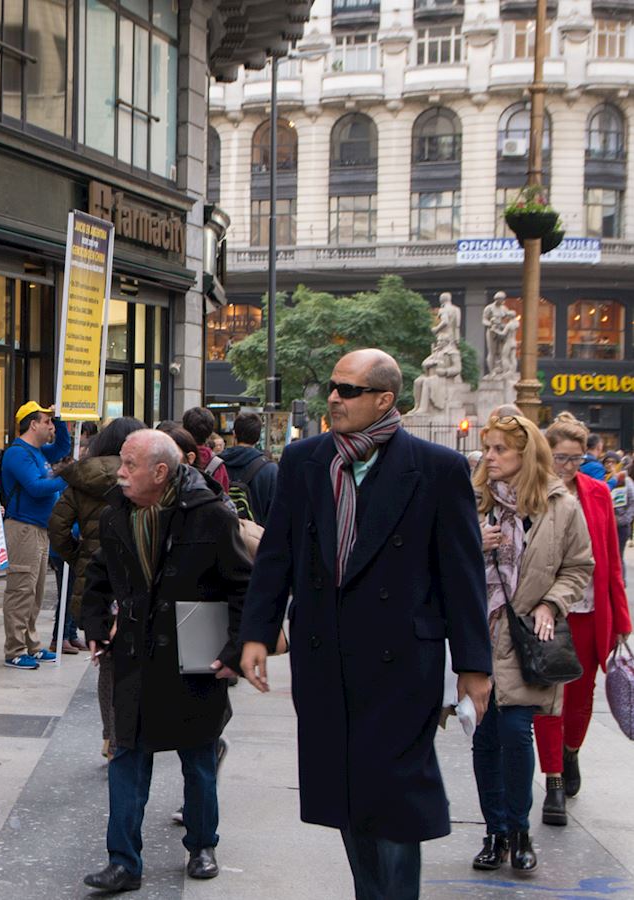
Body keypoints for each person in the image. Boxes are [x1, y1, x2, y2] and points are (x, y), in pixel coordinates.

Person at [240, 349, 493, 900]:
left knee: (396, 800)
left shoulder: (436, 468)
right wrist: (257, 631)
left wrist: (475, 666)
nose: (334, 398)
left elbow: (462, 575)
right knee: (347, 793)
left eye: (348, 390)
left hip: (402, 663)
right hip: (325, 658)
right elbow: (277, 554)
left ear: (384, 400)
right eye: (334, 387)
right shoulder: (305, 460)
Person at [80, 430, 251, 892]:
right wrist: (95, 623)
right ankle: (123, 862)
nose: (119, 473)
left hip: (194, 651)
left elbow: (242, 585)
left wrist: (235, 650)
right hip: (135, 652)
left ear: (160, 472)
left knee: (198, 756)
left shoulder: (210, 514)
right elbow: (99, 574)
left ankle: (202, 844)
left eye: (129, 465)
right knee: (126, 756)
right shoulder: (116, 514)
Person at [472, 413, 593, 872]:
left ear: (527, 455)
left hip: (527, 639)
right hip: (480, 635)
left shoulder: (561, 506)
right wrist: (472, 543)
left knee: (515, 732)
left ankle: (519, 830)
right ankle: (495, 832)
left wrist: (550, 604)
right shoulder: (474, 501)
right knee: (485, 737)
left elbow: (579, 567)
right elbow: (436, 560)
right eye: (488, 447)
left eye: (500, 449)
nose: (490, 456)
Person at [533, 414, 629, 826]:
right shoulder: (534, 492)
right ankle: (553, 779)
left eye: (575, 458)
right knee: (547, 696)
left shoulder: (598, 493)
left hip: (590, 611)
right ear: (547, 455)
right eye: (560, 458)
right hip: (548, 612)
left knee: (580, 697)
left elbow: (611, 562)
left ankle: (571, 751)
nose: (568, 466)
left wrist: (622, 619)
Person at [50, 417, 145, 757]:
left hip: (95, 580)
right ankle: (133, 733)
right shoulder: (140, 473)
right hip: (136, 577)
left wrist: (79, 558)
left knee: (106, 658)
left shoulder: (81, 477)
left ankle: (111, 737)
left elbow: (58, 527)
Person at [0, 401, 70, 670]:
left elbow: (63, 447)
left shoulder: (38, 452)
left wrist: (60, 418)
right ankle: (15, 650)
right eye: (47, 422)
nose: (51, 427)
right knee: (21, 589)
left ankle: (32, 644)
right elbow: (36, 487)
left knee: (35, 591)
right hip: (23, 529)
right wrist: (68, 477)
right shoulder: (18, 453)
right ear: (33, 424)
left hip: (38, 529)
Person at [220, 412, 278, 526]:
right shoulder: (270, 469)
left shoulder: (217, 464)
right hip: (255, 534)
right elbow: (275, 513)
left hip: (221, 533)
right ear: (258, 438)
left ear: (234, 434)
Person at [181, 408, 230, 493]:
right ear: (210, 433)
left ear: (184, 429)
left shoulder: (177, 458)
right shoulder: (217, 465)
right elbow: (223, 495)